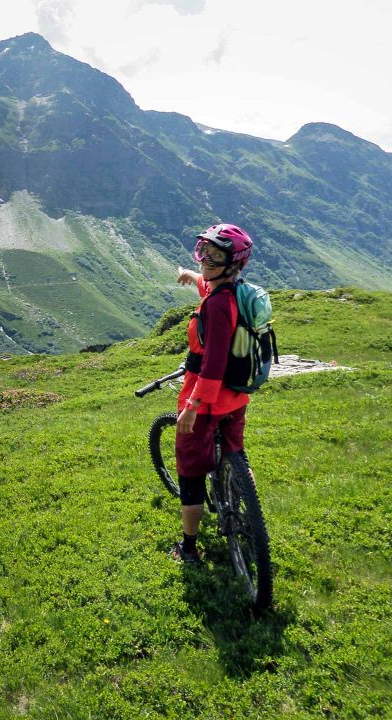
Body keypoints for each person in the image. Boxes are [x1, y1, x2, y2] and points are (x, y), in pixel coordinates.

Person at [172, 223, 253, 563]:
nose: (206, 259)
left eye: (215, 255)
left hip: (206, 401)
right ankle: (246, 502)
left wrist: (193, 405)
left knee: (190, 472)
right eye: (203, 252)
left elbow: (215, 362)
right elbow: (208, 287)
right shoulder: (233, 291)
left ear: (232, 264)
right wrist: (191, 275)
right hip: (235, 397)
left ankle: (188, 548)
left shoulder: (218, 305)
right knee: (236, 452)